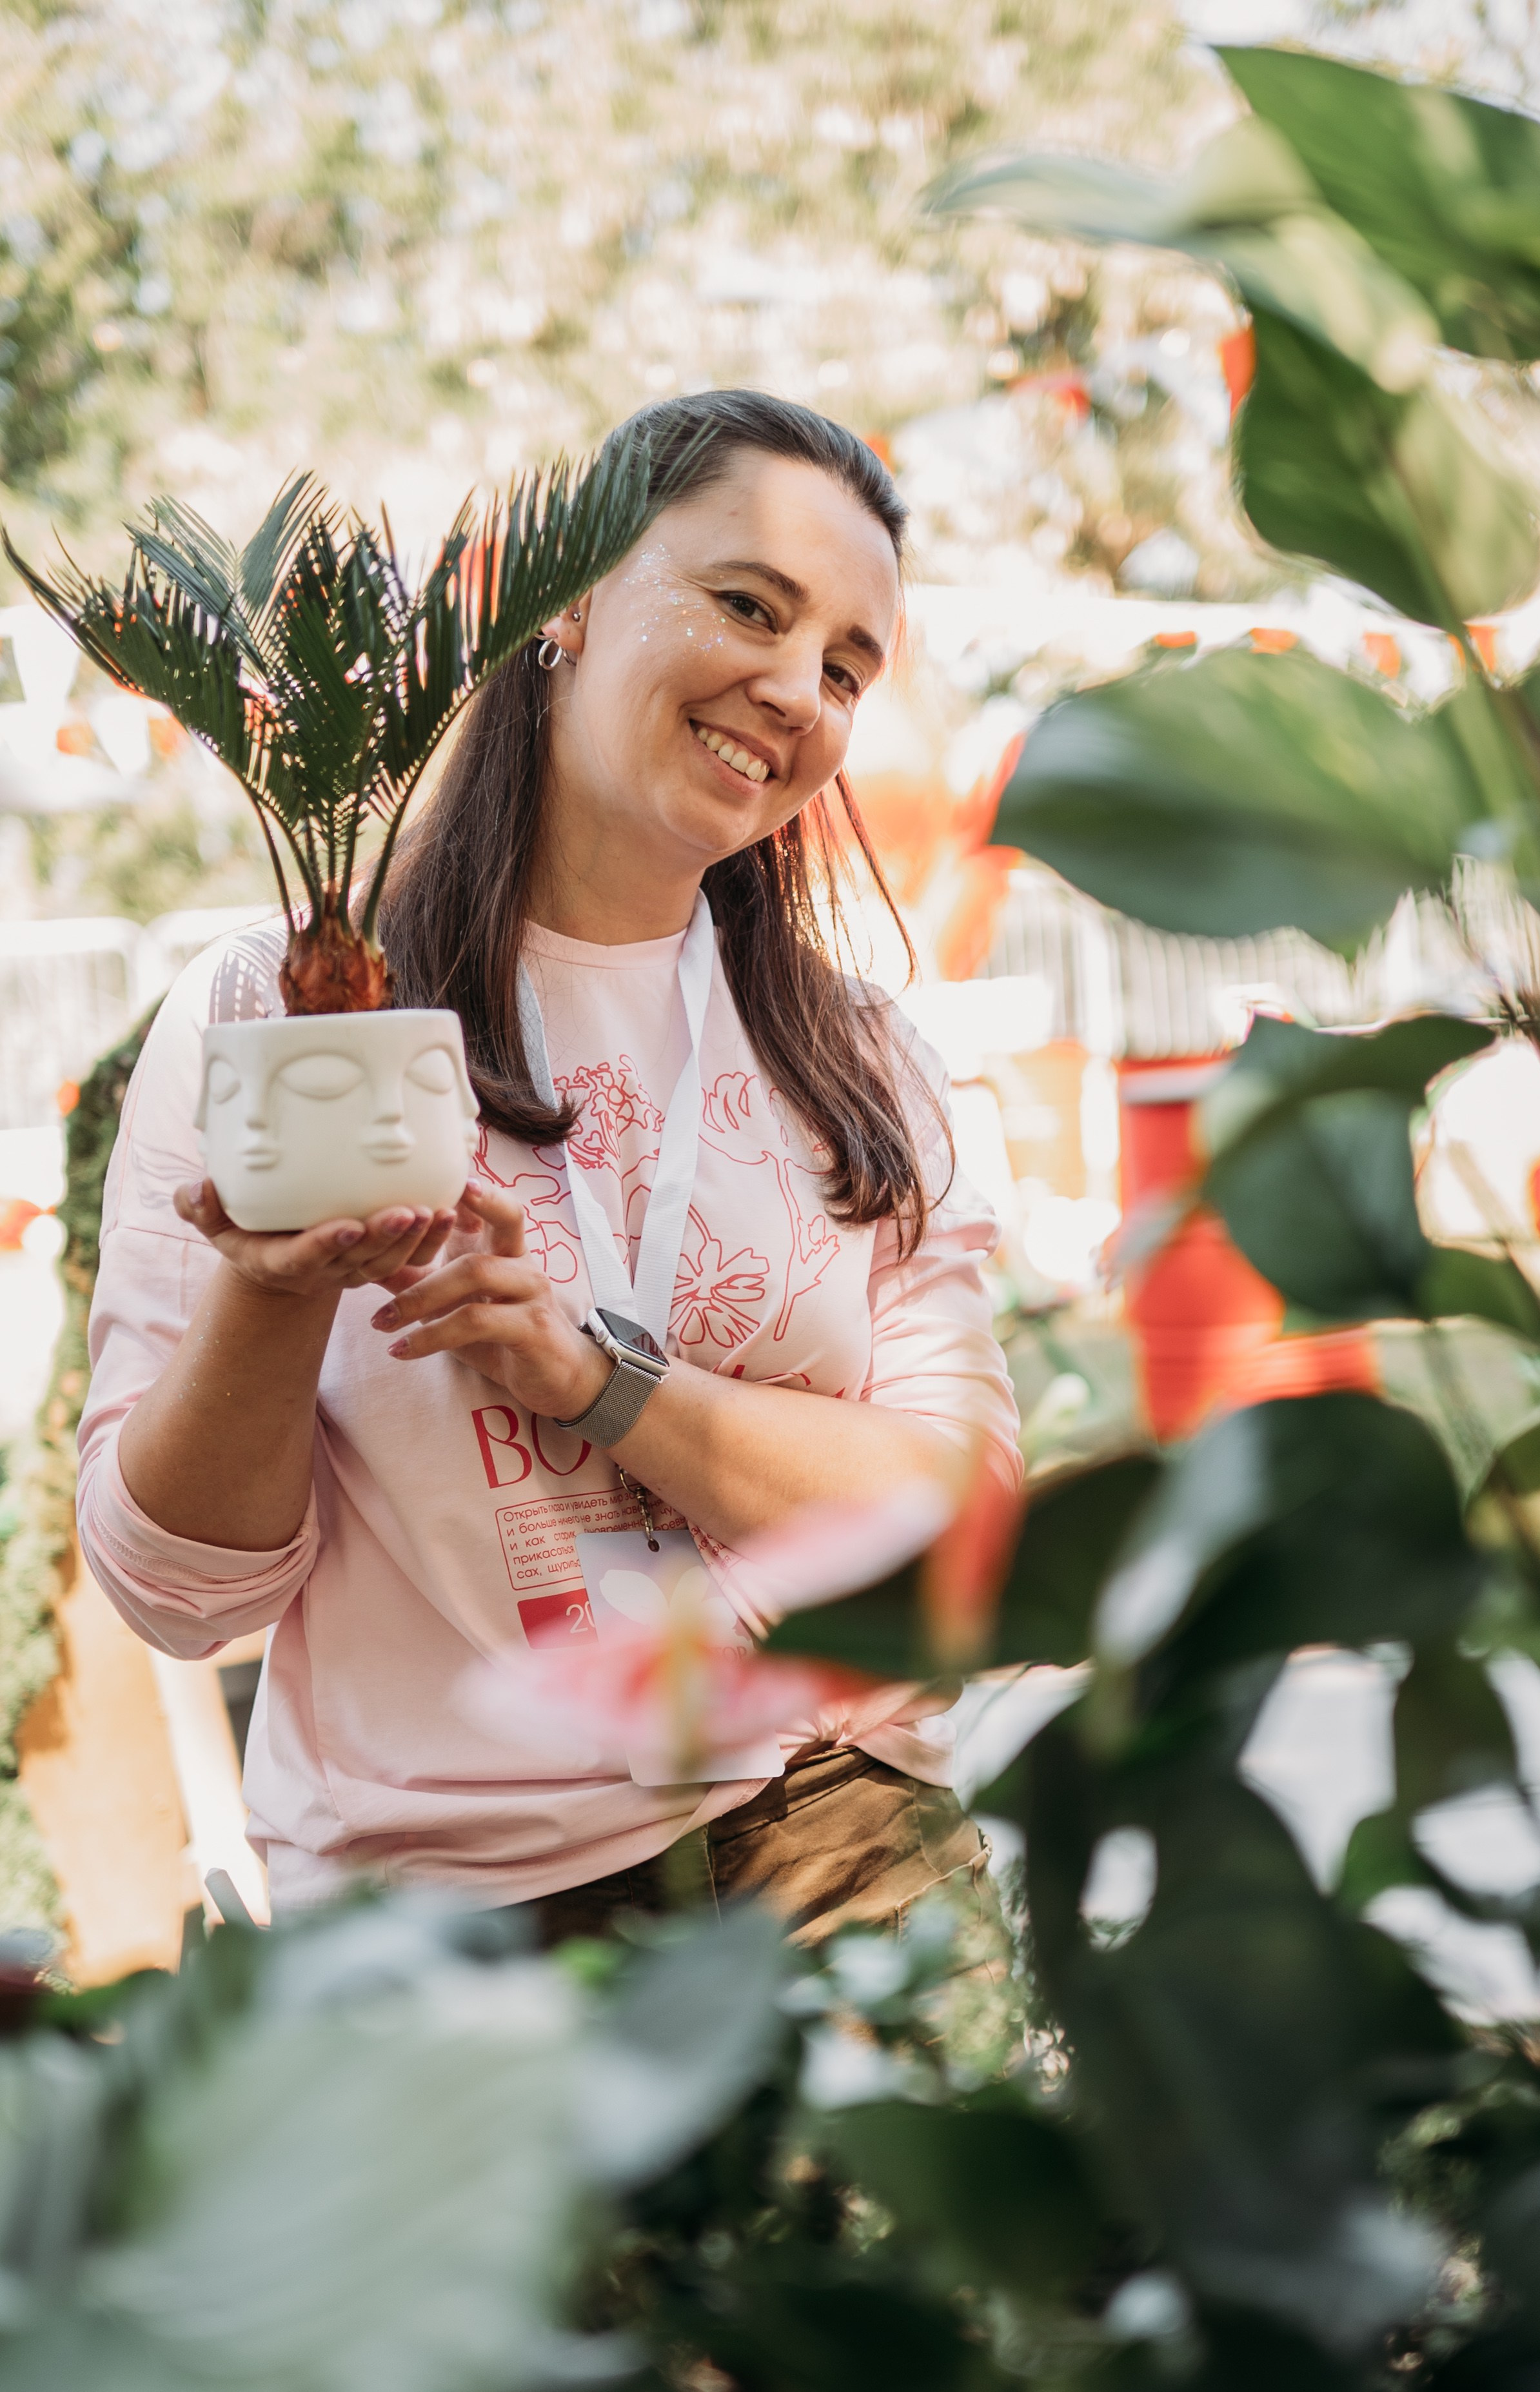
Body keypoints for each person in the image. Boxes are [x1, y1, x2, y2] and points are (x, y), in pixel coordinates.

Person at [77, 390, 1022, 1941]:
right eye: (749, 605)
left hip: (833, 1845)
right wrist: (275, 1292)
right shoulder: (276, 1018)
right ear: (565, 603)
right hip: (438, 1921)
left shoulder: (858, 1056)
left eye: (847, 667)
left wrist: (599, 1380)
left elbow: (960, 1515)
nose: (797, 689)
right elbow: (177, 1591)